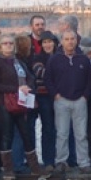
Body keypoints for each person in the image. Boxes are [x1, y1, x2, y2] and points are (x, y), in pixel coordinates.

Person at [0, 34, 44, 177]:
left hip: (21, 103)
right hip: (5, 104)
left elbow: (30, 77)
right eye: (5, 43)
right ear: (0, 46)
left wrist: (28, 86)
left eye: (10, 43)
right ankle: (8, 168)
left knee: (25, 134)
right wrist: (17, 88)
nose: (8, 45)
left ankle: (34, 166)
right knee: (7, 135)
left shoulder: (18, 62)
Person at [27, 31, 58, 172]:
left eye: (50, 41)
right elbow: (40, 73)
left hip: (55, 97)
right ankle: (39, 161)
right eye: (44, 42)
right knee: (41, 128)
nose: (47, 44)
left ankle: (51, 160)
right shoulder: (37, 58)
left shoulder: (60, 57)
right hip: (41, 96)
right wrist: (59, 73)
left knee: (51, 129)